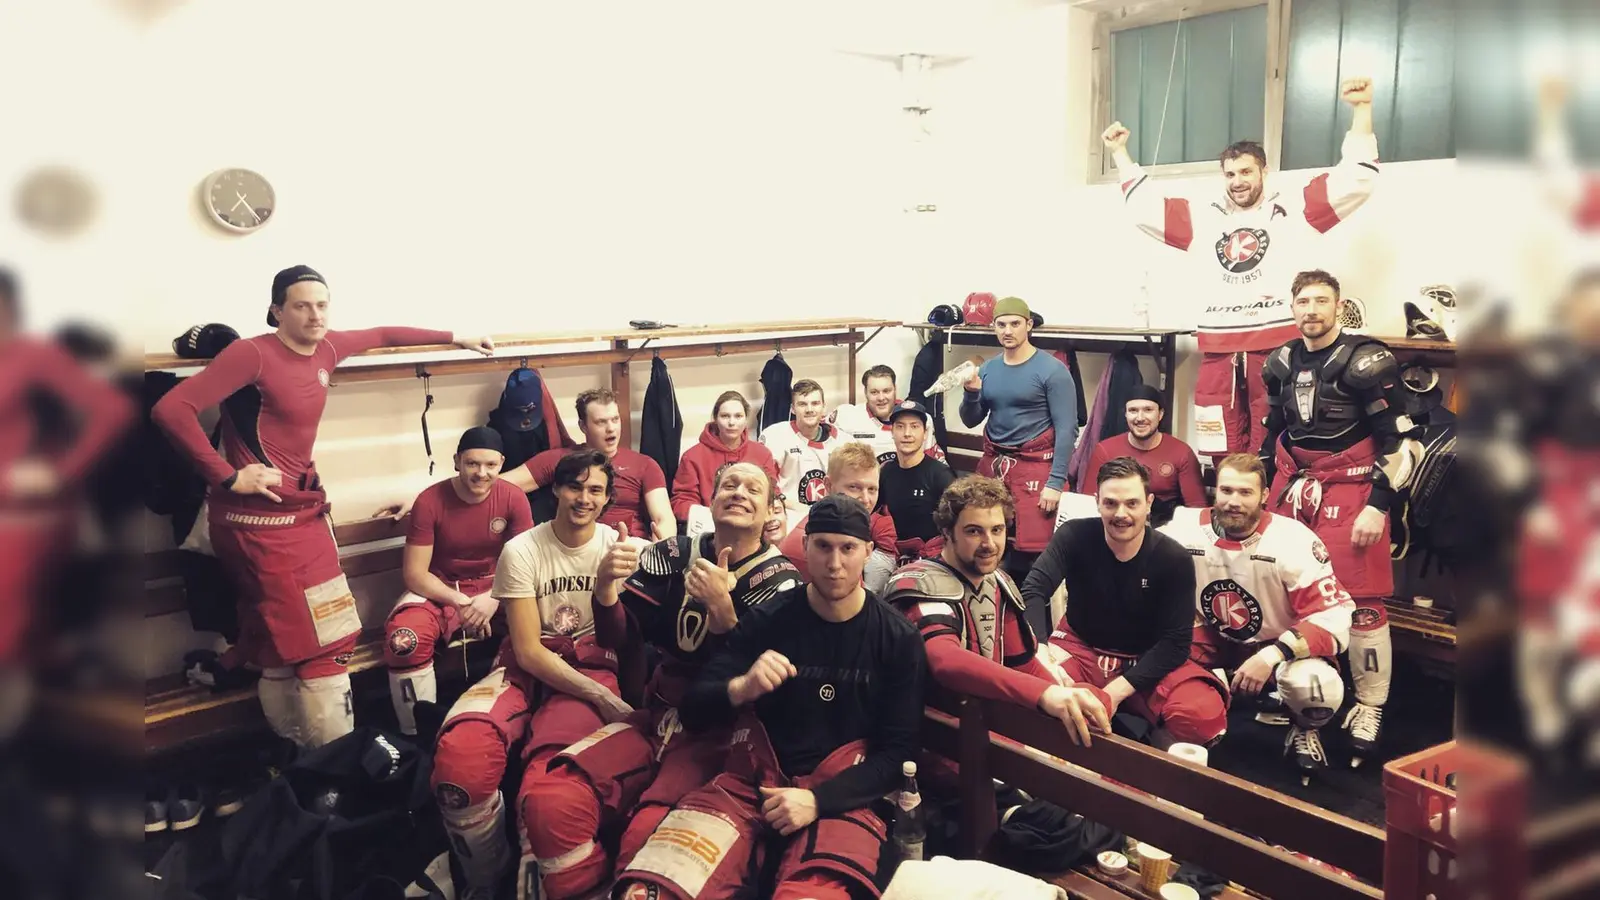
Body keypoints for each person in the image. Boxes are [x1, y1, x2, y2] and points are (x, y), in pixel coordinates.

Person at [152, 264, 493, 749]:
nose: (315, 315)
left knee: (278, 645)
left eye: (322, 304)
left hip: (302, 512)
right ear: (276, 311)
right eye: (301, 305)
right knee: (326, 642)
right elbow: (170, 409)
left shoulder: (328, 346)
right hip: (259, 522)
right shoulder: (252, 353)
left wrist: (458, 335)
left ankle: (303, 763)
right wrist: (227, 475)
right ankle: (336, 766)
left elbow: (381, 333)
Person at [614, 494, 927, 900]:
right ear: (806, 547)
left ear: (867, 551)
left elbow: (898, 755)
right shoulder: (770, 618)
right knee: (644, 893)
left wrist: (817, 800)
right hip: (750, 785)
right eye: (823, 547)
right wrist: (742, 686)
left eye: (848, 548)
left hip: (844, 796)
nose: (835, 564)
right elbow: (694, 709)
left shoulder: (898, 639)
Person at [518, 461, 803, 900]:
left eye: (753, 489)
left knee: (644, 841)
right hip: (657, 714)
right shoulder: (674, 553)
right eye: (729, 484)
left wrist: (725, 616)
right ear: (711, 498)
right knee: (550, 800)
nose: (739, 493)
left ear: (770, 512)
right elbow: (622, 639)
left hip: (723, 733)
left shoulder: (783, 583)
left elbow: (768, 685)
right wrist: (606, 589)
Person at [1103, 77, 1379, 460]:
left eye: (1246, 172)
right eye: (1230, 174)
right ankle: (1227, 508)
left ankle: (1267, 510)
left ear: (1263, 171)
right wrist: (1120, 153)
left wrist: (1361, 110)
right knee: (1217, 443)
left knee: (1274, 438)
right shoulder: (1205, 217)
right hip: (1218, 348)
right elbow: (1145, 209)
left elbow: (1357, 181)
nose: (1237, 182)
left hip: (1275, 347)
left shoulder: (1293, 209)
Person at [428, 450, 627, 899]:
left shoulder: (617, 548)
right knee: (461, 761)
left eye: (595, 490)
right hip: (531, 661)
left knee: (549, 795)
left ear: (608, 498)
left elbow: (627, 639)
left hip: (593, 663)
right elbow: (527, 650)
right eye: (575, 486)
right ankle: (485, 881)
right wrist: (601, 698)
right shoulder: (521, 549)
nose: (584, 498)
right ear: (556, 488)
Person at [1260, 269, 1420, 766]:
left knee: (1363, 605)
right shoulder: (1280, 360)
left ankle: (1368, 706)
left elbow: (1402, 440)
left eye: (1321, 301)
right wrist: (1258, 483)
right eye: (1303, 301)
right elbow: (1272, 434)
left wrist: (1379, 503)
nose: (1311, 310)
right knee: (1294, 598)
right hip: (1294, 487)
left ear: (1338, 306)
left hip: (1353, 490)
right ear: (1292, 306)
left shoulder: (1366, 360)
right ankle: (1304, 710)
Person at [1160, 454, 1354, 783]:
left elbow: (1335, 615)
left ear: (1264, 496)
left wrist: (1273, 654)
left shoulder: (1293, 540)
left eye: (1245, 493)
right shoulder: (1183, 530)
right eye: (1226, 491)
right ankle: (1202, 711)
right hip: (1211, 638)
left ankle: (1303, 726)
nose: (1234, 502)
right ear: (1215, 492)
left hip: (1273, 644)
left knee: (1316, 686)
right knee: (1160, 661)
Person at [883, 476, 1111, 747]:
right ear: (947, 532)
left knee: (1095, 703)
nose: (989, 543)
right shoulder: (921, 583)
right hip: (928, 742)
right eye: (973, 531)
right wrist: (1044, 693)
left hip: (983, 731)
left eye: (997, 530)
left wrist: (1064, 696)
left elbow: (1023, 663)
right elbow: (945, 661)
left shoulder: (997, 583)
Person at [1023, 458, 1224, 746]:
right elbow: (1033, 590)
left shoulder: (1173, 558)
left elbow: (1176, 644)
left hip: (1148, 658)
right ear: (1097, 502)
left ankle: (1152, 752)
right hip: (1081, 648)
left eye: (1132, 503)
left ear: (1149, 503)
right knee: (1033, 685)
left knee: (1201, 714)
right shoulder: (1074, 535)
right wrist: (1039, 650)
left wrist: (1114, 694)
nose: (1121, 514)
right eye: (1111, 504)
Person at [382, 426, 534, 736]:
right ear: (456, 461)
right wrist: (462, 602)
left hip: (498, 588)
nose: (481, 473)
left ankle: (513, 722)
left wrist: (493, 598)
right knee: (404, 640)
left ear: (502, 463)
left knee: (545, 625)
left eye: (490, 465)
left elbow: (526, 563)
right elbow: (415, 574)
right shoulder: (430, 501)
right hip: (443, 590)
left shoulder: (514, 498)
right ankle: (417, 735)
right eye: (472, 464)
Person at [958, 296, 1079, 636]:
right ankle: (994, 632)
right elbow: (970, 419)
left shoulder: (1053, 370)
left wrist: (1056, 482)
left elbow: (1067, 428)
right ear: (993, 327)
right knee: (988, 547)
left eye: (1014, 323)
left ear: (1029, 325)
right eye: (1001, 324)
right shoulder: (989, 368)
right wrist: (971, 392)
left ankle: (1037, 639)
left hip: (1036, 471)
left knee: (1034, 559)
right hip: (994, 465)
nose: (1007, 330)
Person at [503, 388, 675, 541]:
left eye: (615, 419)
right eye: (601, 422)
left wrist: (659, 552)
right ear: (583, 426)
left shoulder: (644, 464)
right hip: (575, 550)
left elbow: (663, 518)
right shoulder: (561, 458)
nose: (611, 428)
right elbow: (497, 486)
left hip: (629, 549)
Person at [778, 441, 898, 593]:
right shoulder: (811, 545)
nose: (866, 499)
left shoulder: (845, 528)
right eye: (854, 487)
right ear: (828, 485)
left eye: (872, 489)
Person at [1080, 384, 1205, 526]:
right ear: (1126, 414)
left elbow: (1197, 511)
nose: (1140, 417)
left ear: (1160, 414)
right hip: (1116, 528)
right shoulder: (1105, 450)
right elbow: (1088, 504)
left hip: (1166, 532)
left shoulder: (1181, 452)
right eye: (1133, 410)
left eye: (1148, 410)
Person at [669, 390, 779, 531]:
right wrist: (714, 516)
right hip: (709, 526)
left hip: (753, 526)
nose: (732, 422)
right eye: (725, 416)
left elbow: (772, 494)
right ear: (715, 418)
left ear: (746, 420)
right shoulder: (692, 456)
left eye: (738, 416)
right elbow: (681, 502)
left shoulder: (762, 454)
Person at [877, 400, 957, 560]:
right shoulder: (886, 472)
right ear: (891, 432)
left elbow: (957, 523)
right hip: (891, 554)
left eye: (914, 426)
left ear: (925, 433)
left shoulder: (941, 475)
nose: (907, 433)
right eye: (900, 426)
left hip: (934, 558)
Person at [760, 378, 843, 527]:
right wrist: (799, 508)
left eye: (815, 403)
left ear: (824, 407)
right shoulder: (776, 436)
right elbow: (765, 483)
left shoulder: (842, 440)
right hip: (789, 515)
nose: (809, 409)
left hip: (831, 515)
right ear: (792, 409)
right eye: (802, 404)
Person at [829, 364, 943, 466]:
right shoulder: (847, 416)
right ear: (865, 393)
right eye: (874, 392)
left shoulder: (920, 419)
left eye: (886, 391)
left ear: (895, 390)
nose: (881, 398)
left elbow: (935, 466)